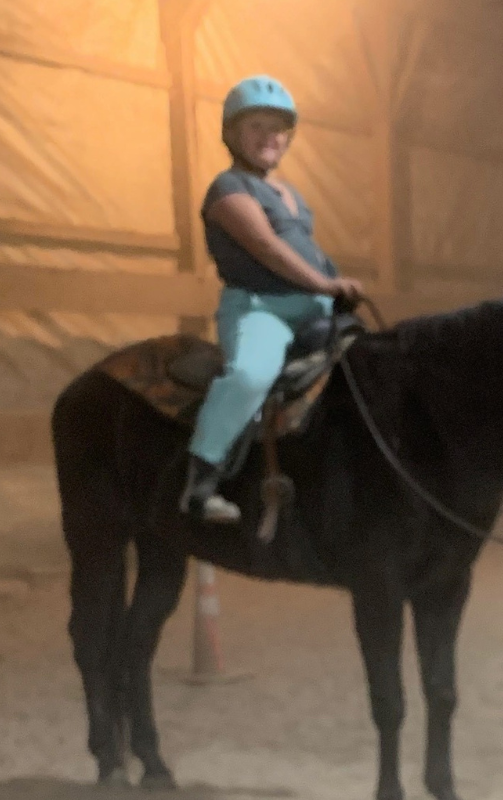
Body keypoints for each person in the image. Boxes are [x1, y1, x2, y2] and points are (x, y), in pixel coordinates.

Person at [180, 75, 364, 523]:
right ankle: (201, 482)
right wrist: (324, 286)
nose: (269, 137)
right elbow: (266, 248)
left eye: (277, 128)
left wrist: (333, 283)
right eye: (256, 127)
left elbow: (306, 251)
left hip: (313, 309)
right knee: (249, 375)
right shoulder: (228, 189)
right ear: (232, 135)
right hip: (262, 309)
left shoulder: (291, 194)